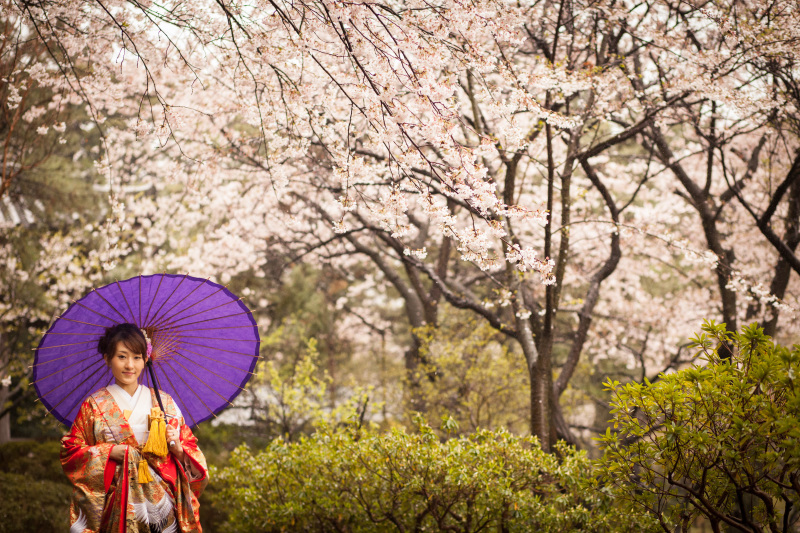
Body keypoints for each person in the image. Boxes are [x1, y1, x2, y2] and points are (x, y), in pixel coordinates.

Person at [61, 323, 208, 533]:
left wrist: (177, 448)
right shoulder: (93, 405)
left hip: (163, 504)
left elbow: (191, 452)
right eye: (122, 356)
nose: (130, 365)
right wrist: (110, 452)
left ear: (146, 359)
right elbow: (71, 451)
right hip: (115, 504)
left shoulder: (165, 403)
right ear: (107, 358)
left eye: (137, 357)